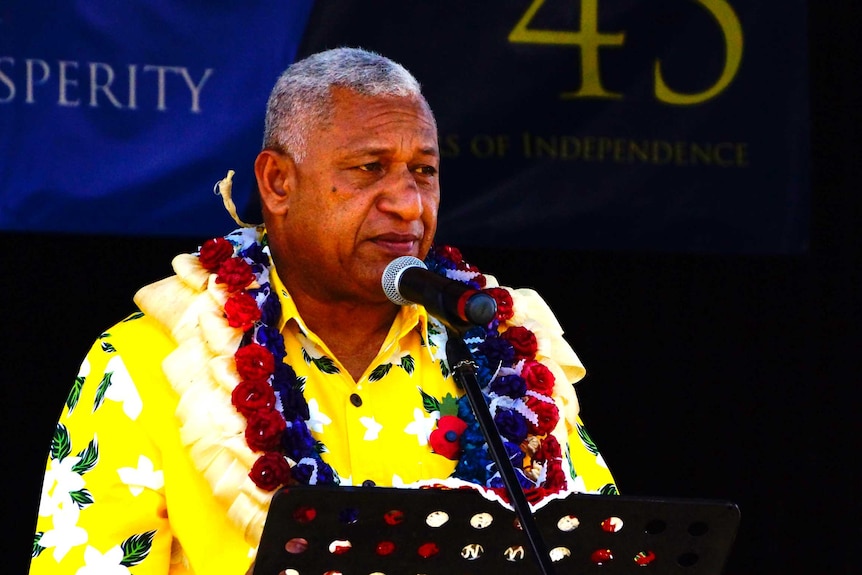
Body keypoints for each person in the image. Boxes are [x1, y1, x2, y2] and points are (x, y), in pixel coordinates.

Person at [29, 47, 615, 575]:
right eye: (369, 168)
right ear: (278, 183)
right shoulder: (146, 365)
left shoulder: (504, 350)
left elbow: (601, 548)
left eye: (424, 171)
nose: (409, 204)